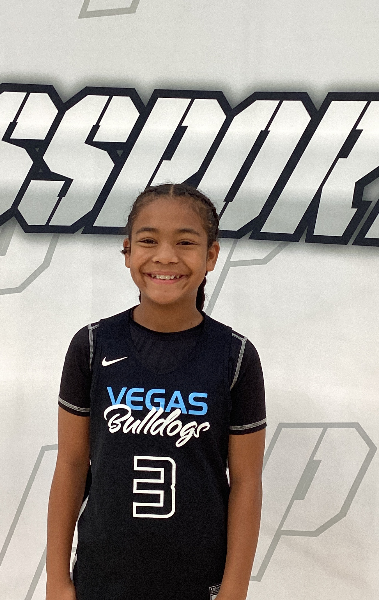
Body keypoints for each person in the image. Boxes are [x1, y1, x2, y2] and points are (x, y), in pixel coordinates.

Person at [46, 183, 266, 600]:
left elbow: (246, 481)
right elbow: (72, 465)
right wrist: (57, 580)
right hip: (101, 578)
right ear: (127, 251)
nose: (165, 256)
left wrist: (234, 589)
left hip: (198, 579)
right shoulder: (92, 346)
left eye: (185, 242)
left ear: (211, 256)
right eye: (149, 241)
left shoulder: (235, 356)